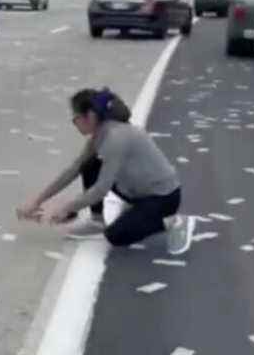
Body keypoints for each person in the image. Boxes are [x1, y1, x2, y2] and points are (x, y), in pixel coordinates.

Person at [17, 87, 194, 255]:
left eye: (75, 118)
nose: (74, 123)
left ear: (91, 116)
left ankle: (173, 221)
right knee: (89, 164)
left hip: (163, 198)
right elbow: (74, 170)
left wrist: (64, 208)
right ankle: (97, 221)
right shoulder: (100, 135)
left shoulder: (116, 137)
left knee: (116, 236)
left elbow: (102, 189)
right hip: (139, 193)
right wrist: (37, 201)